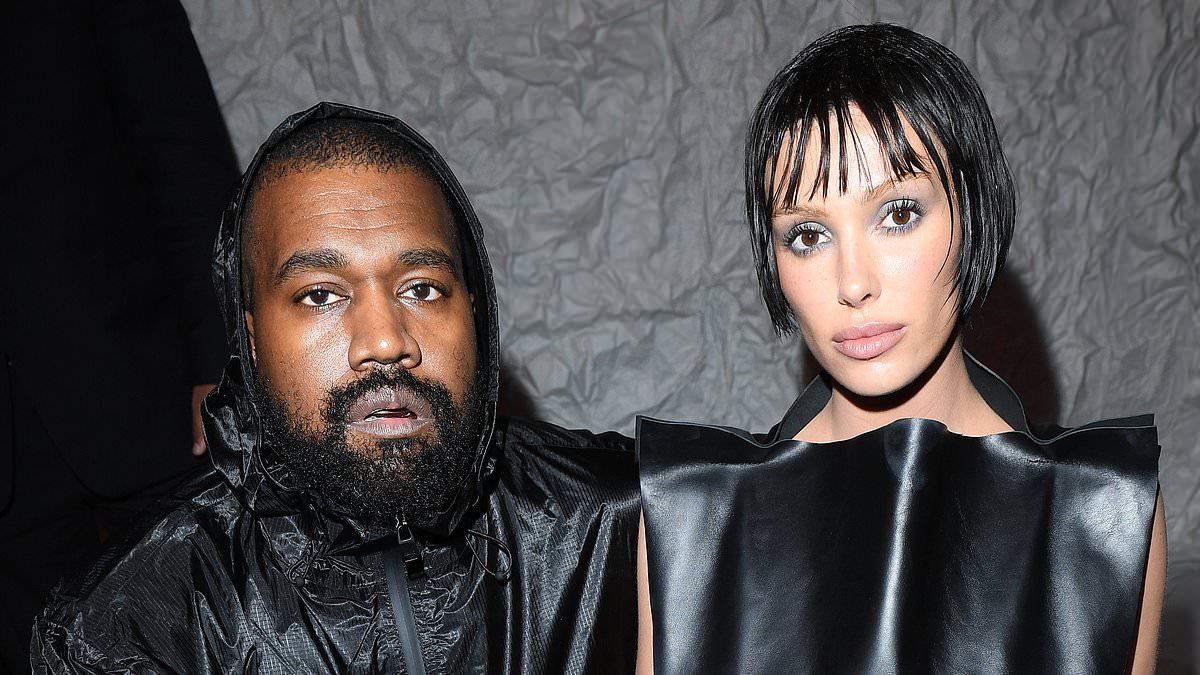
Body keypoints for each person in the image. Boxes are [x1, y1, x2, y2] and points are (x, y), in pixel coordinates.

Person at [32, 103, 639, 673]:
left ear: (475, 314)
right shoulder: (126, 630)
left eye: (422, 288)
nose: (385, 341)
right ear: (250, 339)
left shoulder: (636, 520)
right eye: (321, 294)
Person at [635, 24, 1165, 674]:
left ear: (976, 210)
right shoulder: (692, 509)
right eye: (808, 235)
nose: (853, 282)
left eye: (899, 214)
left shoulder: (1102, 506)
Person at [0, 1, 239, 672]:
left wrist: (221, 355)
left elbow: (180, 140)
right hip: (12, 498)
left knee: (217, 644)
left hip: (145, 383)